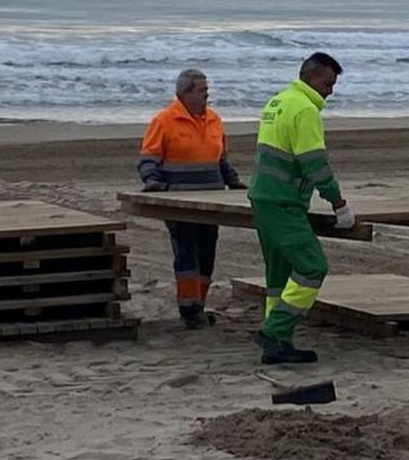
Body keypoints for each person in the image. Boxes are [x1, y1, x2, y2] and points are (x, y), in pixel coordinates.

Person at [248, 52, 355, 364]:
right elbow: (315, 165)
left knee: (278, 274)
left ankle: (278, 344)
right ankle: (273, 330)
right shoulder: (305, 110)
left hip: (263, 198)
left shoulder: (277, 102)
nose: (330, 91)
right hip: (284, 203)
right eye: (327, 83)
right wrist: (339, 204)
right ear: (310, 78)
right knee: (312, 267)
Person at [137, 68, 246, 329]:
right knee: (186, 254)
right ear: (184, 93)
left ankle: (200, 304)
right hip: (179, 203)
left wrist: (233, 182)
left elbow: (222, 159)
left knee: (207, 252)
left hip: (212, 202)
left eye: (207, 91)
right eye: (201, 91)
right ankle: (189, 310)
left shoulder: (215, 120)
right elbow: (147, 159)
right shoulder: (164, 121)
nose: (206, 95)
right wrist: (153, 182)